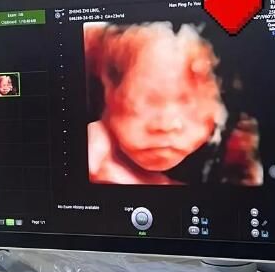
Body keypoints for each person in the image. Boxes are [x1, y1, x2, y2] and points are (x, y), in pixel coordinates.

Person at [85, 22, 262, 185]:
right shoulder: (95, 150)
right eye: (147, 101)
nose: (166, 125)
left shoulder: (237, 145)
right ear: (106, 93)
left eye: (187, 102)